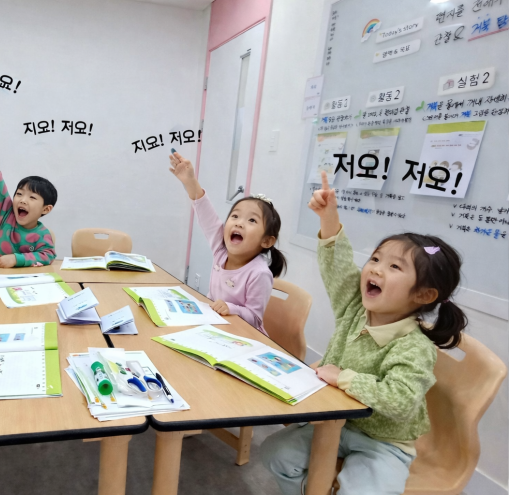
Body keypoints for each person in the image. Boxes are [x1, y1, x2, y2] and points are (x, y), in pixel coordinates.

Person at [260, 171, 467, 495]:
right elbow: (338, 266)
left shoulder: (414, 346)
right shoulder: (354, 307)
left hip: (384, 442)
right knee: (275, 454)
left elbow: (400, 400)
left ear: (423, 295)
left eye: (394, 267)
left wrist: (344, 377)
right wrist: (329, 218)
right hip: (334, 422)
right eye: (375, 258)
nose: (375, 269)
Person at [168, 150, 286, 335]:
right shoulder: (221, 249)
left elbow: (255, 319)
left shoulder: (259, 273)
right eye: (235, 216)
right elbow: (206, 216)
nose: (239, 223)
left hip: (242, 336)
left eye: (252, 220)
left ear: (267, 241)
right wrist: (190, 181)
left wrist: (231, 308)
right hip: (214, 326)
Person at [0, 118, 57, 267]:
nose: (23, 200)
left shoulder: (43, 234)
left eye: (32, 197)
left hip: (27, 279)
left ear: (46, 209)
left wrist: (17, 259)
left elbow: (48, 255)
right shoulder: (5, 215)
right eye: (19, 194)